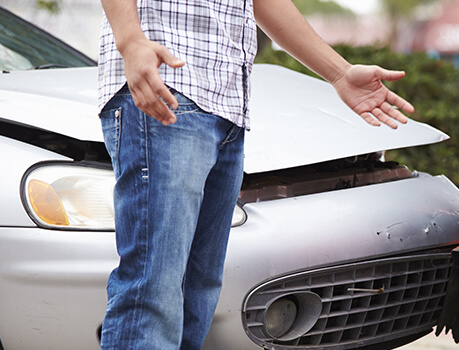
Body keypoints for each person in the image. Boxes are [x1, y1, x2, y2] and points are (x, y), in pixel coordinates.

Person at [97, 0, 414, 348]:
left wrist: (338, 73)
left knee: (197, 294)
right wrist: (129, 41)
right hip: (165, 85)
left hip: (226, 105)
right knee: (152, 287)